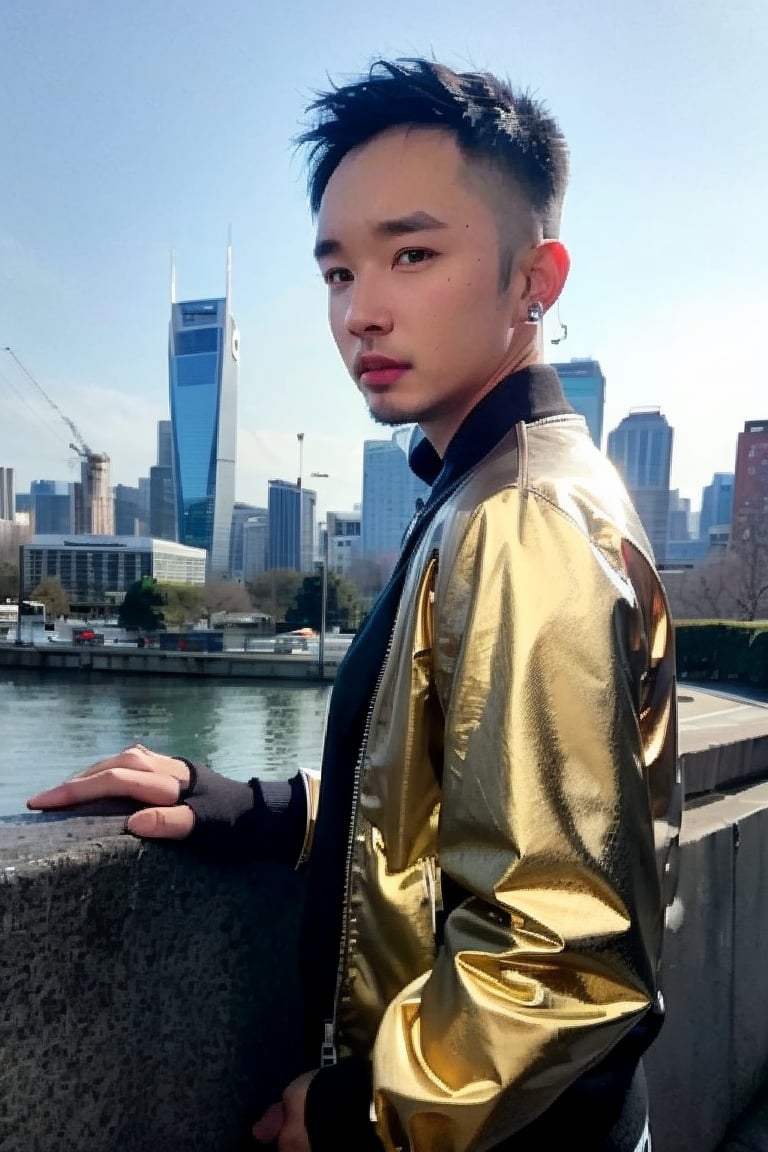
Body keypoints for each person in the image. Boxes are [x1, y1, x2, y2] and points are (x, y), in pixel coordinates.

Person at [28, 59, 681, 1152]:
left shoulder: (519, 517)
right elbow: (466, 801)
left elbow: (563, 955)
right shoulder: (498, 483)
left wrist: (359, 1112)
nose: (360, 311)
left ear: (538, 278)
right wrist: (262, 808)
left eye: (413, 254)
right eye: (337, 271)